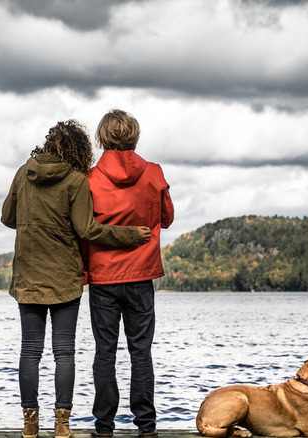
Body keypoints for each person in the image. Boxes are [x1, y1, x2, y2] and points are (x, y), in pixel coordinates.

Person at [1, 119, 151, 438]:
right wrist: (129, 235)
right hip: (65, 277)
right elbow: (87, 230)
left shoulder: (22, 174)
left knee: (30, 350)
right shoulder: (75, 180)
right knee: (63, 351)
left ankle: (29, 426)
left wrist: (34, 222)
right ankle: (61, 426)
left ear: (48, 144)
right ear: (78, 149)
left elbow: (7, 218)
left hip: (27, 274)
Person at [83, 109, 174, 438]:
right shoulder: (153, 173)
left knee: (104, 353)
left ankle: (103, 428)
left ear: (102, 137)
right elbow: (167, 217)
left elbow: (85, 230)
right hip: (141, 275)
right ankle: (147, 428)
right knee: (141, 353)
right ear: (134, 136)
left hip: (103, 278)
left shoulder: (90, 178)